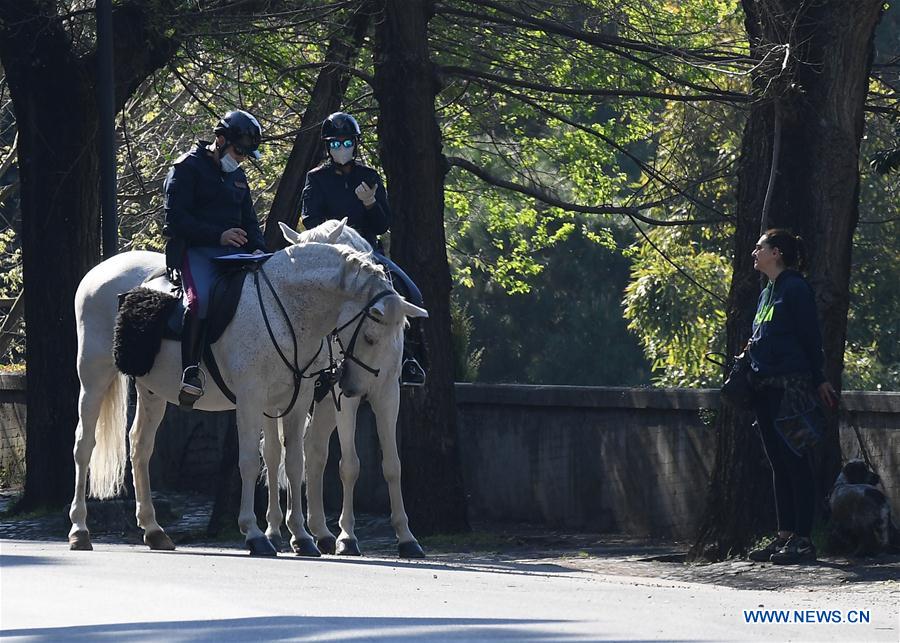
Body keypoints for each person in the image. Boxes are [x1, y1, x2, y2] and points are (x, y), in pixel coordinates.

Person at [300, 111, 427, 386]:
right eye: (335, 144)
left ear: (355, 145)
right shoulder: (316, 178)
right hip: (331, 255)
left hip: (369, 253)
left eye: (346, 143)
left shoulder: (369, 176)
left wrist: (370, 203)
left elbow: (382, 224)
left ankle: (410, 359)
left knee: (410, 292)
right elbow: (310, 219)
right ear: (327, 147)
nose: (341, 149)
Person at [744, 228, 839, 565]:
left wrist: (819, 379)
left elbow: (811, 338)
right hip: (765, 390)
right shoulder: (766, 293)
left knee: (795, 460)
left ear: (777, 253)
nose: (754, 252)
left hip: (792, 390)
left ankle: (803, 539)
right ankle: (784, 536)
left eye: (761, 247)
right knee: (777, 464)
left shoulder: (796, 289)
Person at [163, 109, 267, 407]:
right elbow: (175, 220)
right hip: (197, 252)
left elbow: (250, 221)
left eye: (246, 155)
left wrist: (259, 248)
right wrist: (217, 236)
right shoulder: (185, 168)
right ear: (220, 140)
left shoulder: (238, 176)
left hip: (236, 254)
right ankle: (191, 371)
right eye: (238, 152)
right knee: (200, 301)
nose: (242, 159)